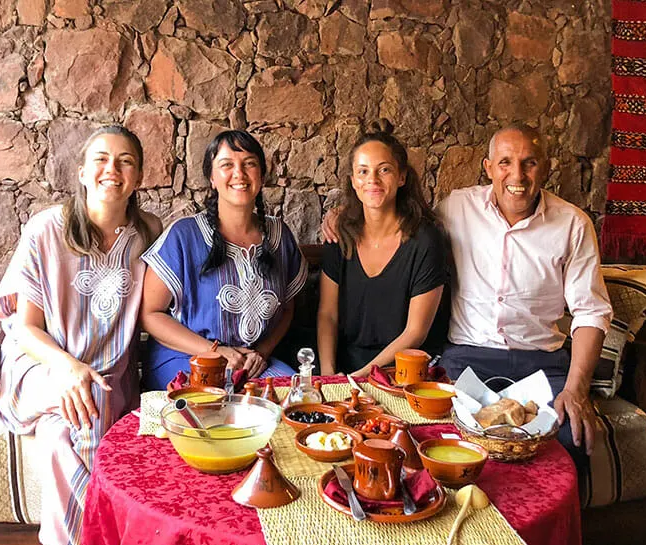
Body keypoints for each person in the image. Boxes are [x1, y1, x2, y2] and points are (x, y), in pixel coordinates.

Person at [324, 124, 611, 473]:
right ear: (489, 168)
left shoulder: (572, 225)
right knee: (445, 437)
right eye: (505, 162)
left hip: (542, 361)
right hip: (467, 358)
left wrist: (577, 389)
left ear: (546, 167)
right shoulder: (458, 208)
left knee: (569, 437)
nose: (516, 175)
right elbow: (395, 213)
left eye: (529, 162)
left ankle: (551, 525)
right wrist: (342, 214)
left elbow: (591, 313)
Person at [0, 125, 159, 545]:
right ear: (82, 172)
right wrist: (67, 368)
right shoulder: (47, 229)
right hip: (38, 367)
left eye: (126, 161)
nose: (113, 169)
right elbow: (24, 329)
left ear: (138, 177)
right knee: (78, 412)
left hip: (107, 379)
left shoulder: (148, 234)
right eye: (101, 159)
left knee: (68, 429)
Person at [140, 130, 307, 389]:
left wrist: (261, 351)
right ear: (212, 178)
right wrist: (214, 351)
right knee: (213, 410)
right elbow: (150, 314)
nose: (239, 173)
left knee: (290, 401)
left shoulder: (279, 236)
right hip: (188, 357)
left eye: (249, 164)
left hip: (250, 362)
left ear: (261, 175)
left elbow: (287, 307)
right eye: (227, 165)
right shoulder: (184, 236)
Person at [317, 120, 448, 377]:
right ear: (353, 181)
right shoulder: (340, 234)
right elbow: (327, 315)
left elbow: (415, 332)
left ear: (401, 177)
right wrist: (329, 375)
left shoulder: (426, 240)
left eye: (384, 170)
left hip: (404, 369)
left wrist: (360, 378)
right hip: (345, 366)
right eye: (363, 172)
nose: (372, 180)